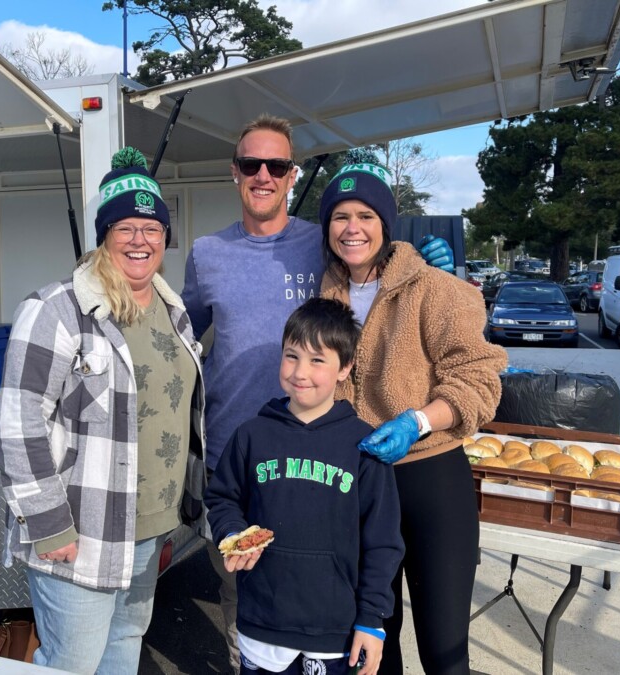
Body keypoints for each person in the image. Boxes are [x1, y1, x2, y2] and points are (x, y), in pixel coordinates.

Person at [180, 114, 453, 673]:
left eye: (275, 165)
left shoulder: (320, 244)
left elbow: (374, 261)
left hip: (325, 457)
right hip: (240, 456)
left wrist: (425, 269)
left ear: (291, 174)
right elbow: (178, 338)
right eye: (251, 164)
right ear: (234, 172)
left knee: (332, 602)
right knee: (245, 611)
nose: (263, 175)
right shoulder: (206, 254)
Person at [0, 147, 206, 675]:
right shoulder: (57, 309)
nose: (140, 240)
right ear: (103, 235)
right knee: (73, 663)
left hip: (151, 528)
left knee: (124, 647)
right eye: (125, 227)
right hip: (82, 531)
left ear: (165, 237)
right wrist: (49, 524)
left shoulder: (173, 309)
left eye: (152, 228)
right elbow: (19, 422)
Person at [317, 158, 508, 674]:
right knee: (371, 646)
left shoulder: (435, 290)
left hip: (429, 479)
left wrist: (417, 422)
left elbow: (479, 379)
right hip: (359, 483)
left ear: (386, 224)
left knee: (444, 651)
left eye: (365, 216)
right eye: (340, 216)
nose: (352, 228)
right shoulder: (326, 292)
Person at [205, 297, 405, 675]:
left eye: (317, 360)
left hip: (334, 630)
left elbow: (382, 541)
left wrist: (372, 618)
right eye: (292, 356)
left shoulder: (364, 446)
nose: (300, 372)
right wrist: (233, 532)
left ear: (345, 368)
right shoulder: (252, 435)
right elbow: (222, 497)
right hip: (262, 619)